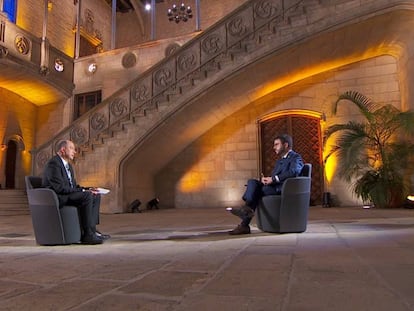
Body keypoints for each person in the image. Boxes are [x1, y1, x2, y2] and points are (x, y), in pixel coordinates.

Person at [227, 134, 304, 235]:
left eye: (276, 144)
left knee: (257, 191)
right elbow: (273, 177)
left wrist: (273, 179)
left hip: (283, 188)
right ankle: (246, 211)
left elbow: (294, 172)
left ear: (285, 145)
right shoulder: (279, 161)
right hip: (273, 186)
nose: (274, 147)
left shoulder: (296, 157)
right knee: (252, 182)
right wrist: (266, 180)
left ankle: (245, 218)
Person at [42, 140, 110, 244]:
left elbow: (72, 186)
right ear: (63, 150)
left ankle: (92, 230)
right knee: (87, 196)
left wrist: (88, 189)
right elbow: (59, 188)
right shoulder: (54, 164)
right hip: (59, 197)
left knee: (95, 195)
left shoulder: (68, 166)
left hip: (67, 194)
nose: (74, 152)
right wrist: (83, 191)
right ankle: (87, 235)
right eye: (71, 148)